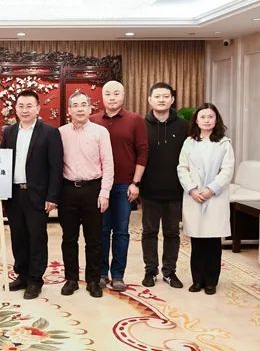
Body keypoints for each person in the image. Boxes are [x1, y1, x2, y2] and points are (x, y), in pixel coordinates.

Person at [0, 90, 63, 299]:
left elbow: (56, 167)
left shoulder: (50, 133)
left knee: (37, 237)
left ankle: (35, 280)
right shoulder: (9, 132)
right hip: (14, 194)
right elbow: (2, 162)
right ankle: (22, 275)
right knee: (18, 236)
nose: (25, 110)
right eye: (21, 106)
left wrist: (52, 197)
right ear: (15, 108)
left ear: (37, 108)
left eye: (29, 106)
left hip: (38, 195)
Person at [91, 80, 148, 291]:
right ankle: (101, 273)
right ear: (102, 96)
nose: (112, 97)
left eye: (116, 93)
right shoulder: (93, 120)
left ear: (123, 96)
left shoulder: (135, 120)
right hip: (100, 186)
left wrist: (136, 183)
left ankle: (118, 275)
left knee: (121, 231)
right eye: (108, 93)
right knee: (101, 230)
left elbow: (142, 152)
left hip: (125, 185)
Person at [58, 91, 114, 298]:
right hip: (67, 190)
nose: (80, 109)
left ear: (90, 108)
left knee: (94, 240)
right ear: (69, 110)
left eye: (84, 105)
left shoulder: (100, 132)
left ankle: (93, 280)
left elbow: (108, 163)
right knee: (69, 238)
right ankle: (71, 279)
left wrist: (105, 192)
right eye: (75, 105)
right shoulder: (60, 133)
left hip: (93, 190)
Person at [177, 103, 234, 295]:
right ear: (196, 120)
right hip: (194, 196)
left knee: (213, 242)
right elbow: (182, 168)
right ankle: (197, 280)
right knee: (197, 241)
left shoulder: (224, 143)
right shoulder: (189, 142)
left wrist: (211, 190)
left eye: (210, 117)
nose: (207, 120)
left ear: (216, 120)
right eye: (203, 117)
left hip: (215, 197)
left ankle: (211, 282)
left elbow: (227, 170)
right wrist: (192, 189)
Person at [141, 82, 187, 288]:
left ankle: (169, 272)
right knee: (149, 232)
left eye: (166, 96)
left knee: (172, 233)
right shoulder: (141, 125)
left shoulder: (183, 126)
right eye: (157, 96)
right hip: (149, 190)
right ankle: (150, 271)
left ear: (172, 100)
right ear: (150, 99)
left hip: (175, 190)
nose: (161, 100)